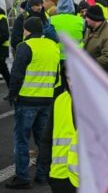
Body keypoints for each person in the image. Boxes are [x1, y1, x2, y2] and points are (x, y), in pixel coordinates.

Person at [6, 17, 60, 189]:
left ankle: (22, 177)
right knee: (43, 140)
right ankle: (43, 174)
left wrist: (12, 94)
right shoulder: (53, 46)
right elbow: (57, 75)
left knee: (22, 139)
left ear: (27, 30)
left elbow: (16, 74)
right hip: (46, 99)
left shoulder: (25, 47)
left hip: (27, 100)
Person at [41, 77, 78, 192]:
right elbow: (46, 139)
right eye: (68, 78)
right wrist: (48, 172)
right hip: (60, 178)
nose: (71, 83)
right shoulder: (60, 100)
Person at [50, 0, 85, 93]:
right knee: (74, 87)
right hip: (75, 58)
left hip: (58, 58)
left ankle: (62, 105)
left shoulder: (51, 20)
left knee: (59, 87)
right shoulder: (81, 21)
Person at [83, 5, 108, 77]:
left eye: (87, 17)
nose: (85, 19)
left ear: (93, 19)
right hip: (91, 74)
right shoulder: (91, 29)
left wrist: (89, 64)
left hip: (102, 77)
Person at [0, 8, 10, 98]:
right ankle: (13, 91)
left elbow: (5, 35)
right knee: (4, 70)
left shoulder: (1, 17)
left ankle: (13, 91)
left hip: (1, 49)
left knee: (4, 70)